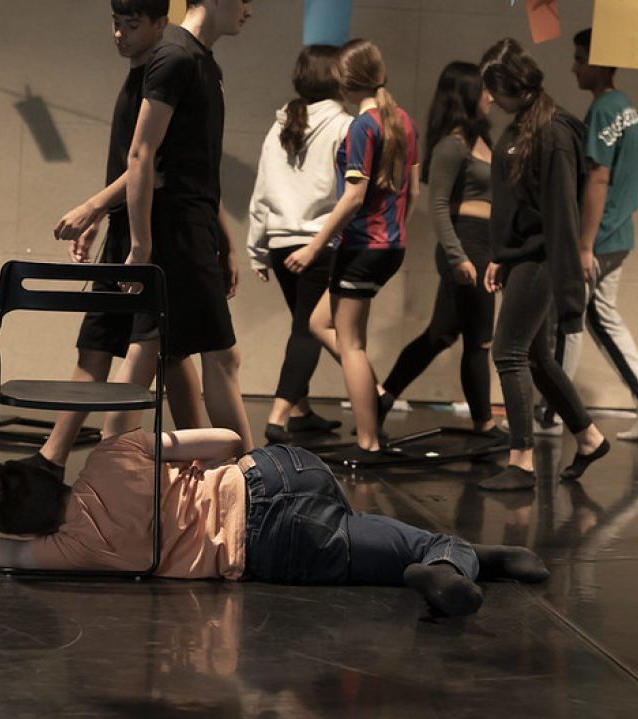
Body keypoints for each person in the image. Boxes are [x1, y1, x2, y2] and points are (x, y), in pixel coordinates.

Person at [0, 422, 551, 617]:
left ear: (25, 529)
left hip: (273, 546)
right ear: (51, 472)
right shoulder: (114, 453)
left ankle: (450, 563)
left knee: (370, 548)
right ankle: (477, 557)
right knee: (412, 538)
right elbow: (222, 436)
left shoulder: (69, 551)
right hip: (275, 473)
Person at [40, 0, 205, 473]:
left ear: (159, 23)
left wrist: (95, 207)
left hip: (152, 234)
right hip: (128, 229)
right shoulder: (140, 74)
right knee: (98, 344)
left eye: (132, 25)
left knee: (162, 352)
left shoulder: (165, 70)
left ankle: (195, 464)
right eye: (115, 23)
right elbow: (132, 168)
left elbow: (150, 168)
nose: (120, 34)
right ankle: (53, 456)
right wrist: (101, 216)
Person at [122, 0, 255, 449]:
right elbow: (141, 153)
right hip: (177, 231)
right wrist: (141, 247)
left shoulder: (198, 60)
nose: (249, 10)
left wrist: (225, 241)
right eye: (245, 0)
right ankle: (250, 478)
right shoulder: (175, 56)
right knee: (220, 356)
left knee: (152, 351)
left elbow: (198, 170)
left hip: (192, 225)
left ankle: (105, 471)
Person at [478, 38, 609, 491]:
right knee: (533, 356)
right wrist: (500, 255)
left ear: (513, 85)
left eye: (494, 88)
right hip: (519, 258)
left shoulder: (553, 133)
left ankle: (522, 460)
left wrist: (570, 286)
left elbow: (560, 215)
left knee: (507, 352)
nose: (490, 99)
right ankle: (589, 437)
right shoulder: (521, 129)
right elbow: (513, 204)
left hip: (542, 260)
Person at [283, 39, 419, 464]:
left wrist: (314, 247)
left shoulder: (364, 126)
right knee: (319, 321)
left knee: (352, 343)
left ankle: (369, 442)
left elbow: (353, 197)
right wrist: (394, 233)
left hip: (363, 246)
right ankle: (371, 397)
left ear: (346, 81)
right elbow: (411, 189)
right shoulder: (402, 120)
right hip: (385, 244)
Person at [536, 28, 638, 441]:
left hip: (602, 235)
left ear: (599, 62)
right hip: (619, 231)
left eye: (579, 59)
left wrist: (584, 243)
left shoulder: (604, 110)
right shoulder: (625, 106)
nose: (574, 67)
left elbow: (598, 177)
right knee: (602, 317)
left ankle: (550, 415)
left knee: (566, 320)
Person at [378, 62, 497, 434]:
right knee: (479, 340)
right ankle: (485, 424)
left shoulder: (480, 140)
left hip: (483, 243)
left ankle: (383, 396)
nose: (490, 97)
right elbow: (440, 206)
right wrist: (459, 256)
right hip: (465, 243)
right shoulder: (453, 145)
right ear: (465, 94)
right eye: (483, 90)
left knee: (441, 335)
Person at [246, 45, 353, 443]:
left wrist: (258, 248)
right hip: (317, 242)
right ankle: (278, 418)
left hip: (279, 243)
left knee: (302, 324)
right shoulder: (345, 125)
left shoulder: (281, 124)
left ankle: (302, 411)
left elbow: (262, 189)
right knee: (310, 329)